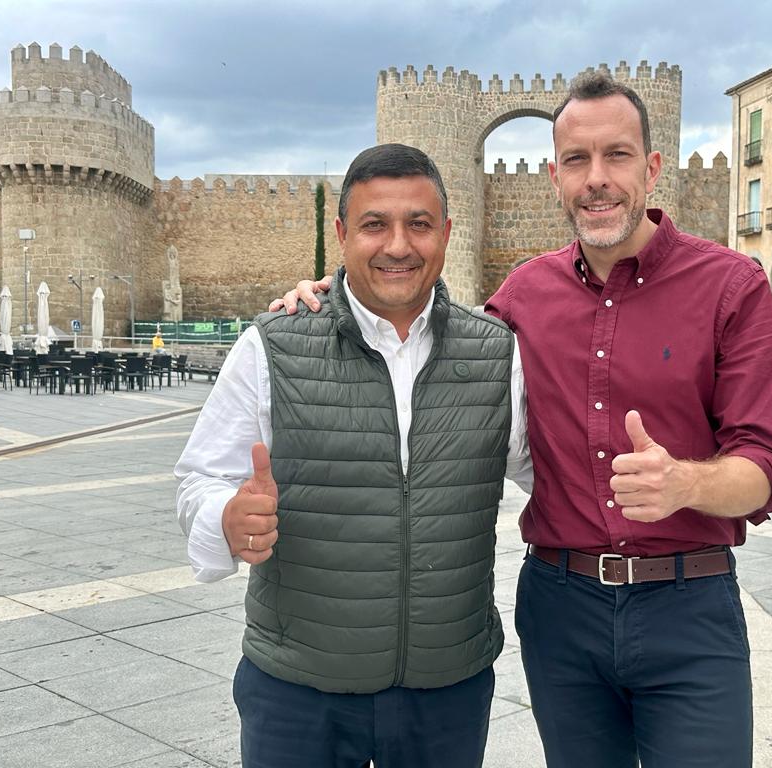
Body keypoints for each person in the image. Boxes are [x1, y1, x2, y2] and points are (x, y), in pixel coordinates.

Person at [275, 72, 772, 768]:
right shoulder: (523, 294)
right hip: (562, 608)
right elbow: (428, 335)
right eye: (577, 160)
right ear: (555, 175)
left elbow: (766, 467)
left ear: (654, 167)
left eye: (617, 156)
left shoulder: (731, 286)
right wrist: (336, 295)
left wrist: (685, 485)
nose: (597, 179)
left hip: (688, 607)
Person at [176, 144, 531, 768]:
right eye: (375, 225)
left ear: (446, 233)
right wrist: (225, 519)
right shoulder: (271, 346)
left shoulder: (499, 355)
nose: (398, 245)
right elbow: (202, 478)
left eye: (418, 224)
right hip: (298, 692)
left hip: (446, 692)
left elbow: (547, 474)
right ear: (341, 234)